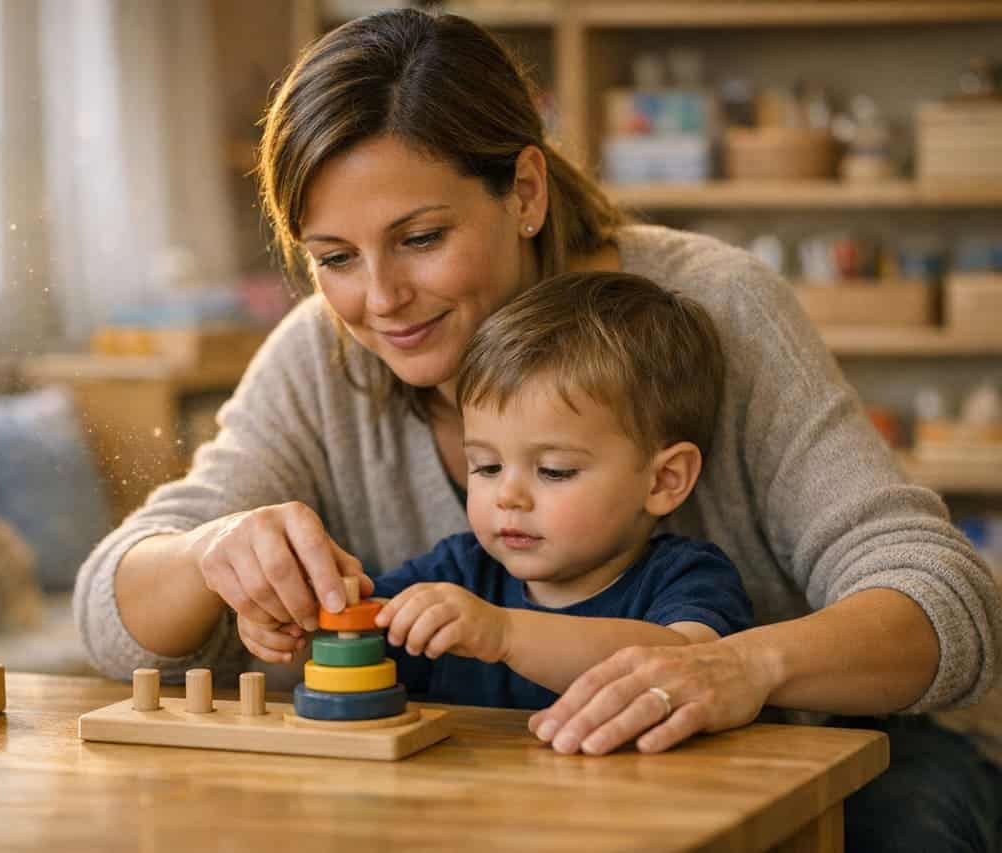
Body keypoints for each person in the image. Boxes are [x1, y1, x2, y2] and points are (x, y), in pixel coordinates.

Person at [74, 9, 1001, 851]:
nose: (382, 299)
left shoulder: (715, 304)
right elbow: (113, 618)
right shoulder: (321, 355)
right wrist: (215, 551)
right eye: (335, 258)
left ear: (523, 190)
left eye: (422, 237)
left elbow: (945, 601)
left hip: (822, 771)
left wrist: (740, 666)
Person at [344, 270, 753, 711]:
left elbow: (685, 660)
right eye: (486, 466)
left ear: (663, 480)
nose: (508, 496)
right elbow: (358, 635)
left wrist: (503, 634)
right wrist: (314, 610)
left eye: (554, 471)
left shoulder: (686, 577)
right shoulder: (459, 573)